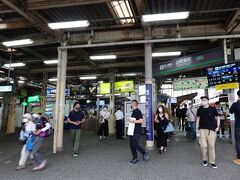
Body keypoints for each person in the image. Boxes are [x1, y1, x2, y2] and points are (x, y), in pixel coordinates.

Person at [196, 96, 220, 169]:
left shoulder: (212, 109)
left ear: (207, 101)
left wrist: (218, 126)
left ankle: (212, 162)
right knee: (203, 146)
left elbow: (218, 117)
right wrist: (197, 129)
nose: (203, 101)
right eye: (202, 100)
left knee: (211, 146)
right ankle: (204, 159)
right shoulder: (199, 109)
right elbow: (198, 118)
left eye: (204, 100)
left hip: (212, 130)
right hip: (202, 130)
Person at [128, 100, 149, 165]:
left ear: (133, 104)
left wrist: (133, 121)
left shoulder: (138, 111)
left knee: (135, 144)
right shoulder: (133, 112)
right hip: (132, 130)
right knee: (131, 145)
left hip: (137, 131)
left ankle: (144, 152)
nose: (130, 105)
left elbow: (141, 120)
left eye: (131, 103)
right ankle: (135, 158)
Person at [31, 107, 51, 171]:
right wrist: (34, 131)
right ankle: (37, 165)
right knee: (34, 150)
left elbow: (48, 126)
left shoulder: (43, 118)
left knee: (34, 151)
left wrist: (41, 130)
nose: (33, 114)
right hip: (36, 136)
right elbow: (34, 127)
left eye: (34, 113)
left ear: (38, 113)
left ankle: (42, 161)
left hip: (41, 136)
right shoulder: (35, 119)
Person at [229, 90, 240, 165]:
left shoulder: (236, 104)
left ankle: (239, 159)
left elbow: (231, 111)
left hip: (238, 126)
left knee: (238, 142)